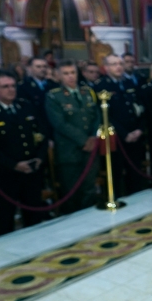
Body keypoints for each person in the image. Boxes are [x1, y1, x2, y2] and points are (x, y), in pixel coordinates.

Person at [0, 70, 47, 236]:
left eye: (13, 85)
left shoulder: (26, 106)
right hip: (6, 173)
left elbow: (41, 135)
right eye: (5, 86)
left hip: (32, 169)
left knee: (34, 214)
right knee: (6, 217)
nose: (11, 89)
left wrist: (40, 159)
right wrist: (14, 165)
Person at [46, 60, 99, 213]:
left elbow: (96, 117)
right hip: (69, 150)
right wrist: (83, 140)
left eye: (73, 72)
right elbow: (60, 124)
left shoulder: (87, 92)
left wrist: (93, 137)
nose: (70, 77)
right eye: (66, 73)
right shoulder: (54, 96)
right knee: (71, 190)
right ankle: (72, 226)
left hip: (89, 148)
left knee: (89, 188)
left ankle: (90, 221)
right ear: (58, 76)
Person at [96, 54, 145, 195]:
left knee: (135, 171)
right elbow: (105, 115)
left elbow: (139, 107)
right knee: (117, 173)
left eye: (120, 64)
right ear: (106, 67)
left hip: (135, 134)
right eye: (114, 64)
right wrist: (124, 134)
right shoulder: (102, 86)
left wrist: (139, 129)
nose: (118, 67)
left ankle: (136, 199)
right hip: (117, 137)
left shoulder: (129, 83)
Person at [18, 56, 58, 135]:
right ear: (30, 68)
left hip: (54, 126)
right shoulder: (23, 87)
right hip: (36, 127)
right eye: (38, 67)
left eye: (44, 66)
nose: (42, 69)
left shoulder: (54, 85)